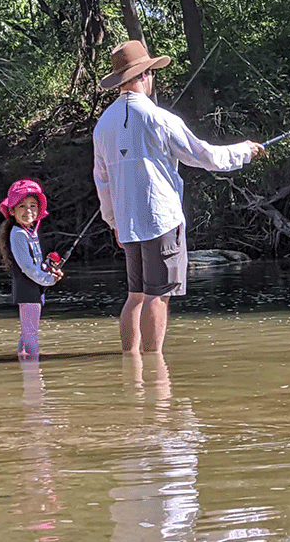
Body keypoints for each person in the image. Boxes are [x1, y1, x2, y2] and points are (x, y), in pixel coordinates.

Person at [92, 40, 265, 354]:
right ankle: (154, 361)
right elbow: (205, 156)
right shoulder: (160, 119)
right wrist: (244, 151)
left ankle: (130, 361)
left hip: (127, 223)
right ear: (144, 75)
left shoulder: (103, 125)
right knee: (158, 295)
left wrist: (113, 221)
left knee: (135, 294)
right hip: (161, 220)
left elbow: (101, 181)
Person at [0, 179, 64, 360]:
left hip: (34, 290)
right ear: (12, 211)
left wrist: (49, 270)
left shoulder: (29, 232)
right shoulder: (18, 234)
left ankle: (25, 365)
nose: (28, 211)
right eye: (22, 206)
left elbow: (35, 264)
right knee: (30, 333)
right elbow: (27, 268)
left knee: (27, 332)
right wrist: (49, 280)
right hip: (28, 291)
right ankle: (34, 373)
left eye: (33, 206)